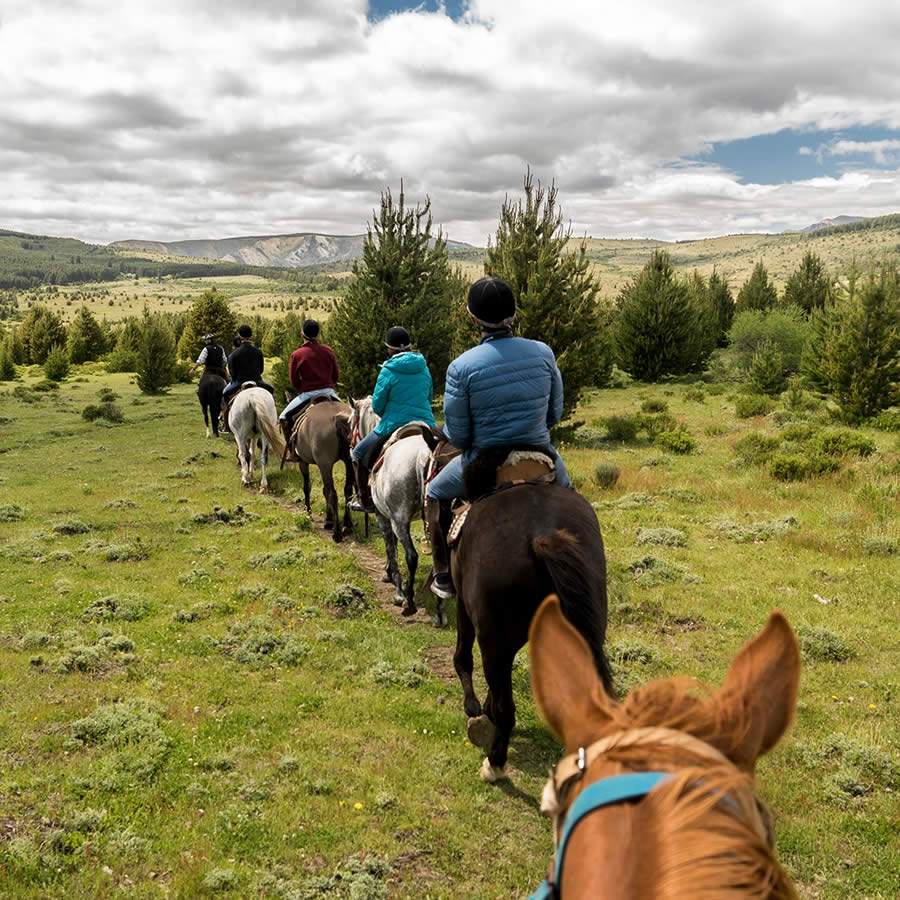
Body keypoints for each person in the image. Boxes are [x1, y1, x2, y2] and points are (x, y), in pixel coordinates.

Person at [425, 277, 571, 600]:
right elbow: (554, 414)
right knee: (573, 501)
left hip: (484, 461)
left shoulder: (461, 368)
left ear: (473, 318)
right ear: (514, 313)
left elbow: (460, 436)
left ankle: (443, 575)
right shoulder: (543, 353)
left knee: (434, 491)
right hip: (539, 455)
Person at [350, 326, 436, 513]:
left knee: (357, 454)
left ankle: (365, 501)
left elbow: (378, 406)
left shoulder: (388, 370)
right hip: (426, 424)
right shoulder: (423, 367)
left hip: (394, 424)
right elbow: (429, 397)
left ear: (390, 348)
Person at [278, 319, 340, 445]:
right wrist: (329, 385)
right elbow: (336, 375)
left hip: (308, 394)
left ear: (302, 334)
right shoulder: (328, 351)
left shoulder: (297, 354)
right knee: (351, 416)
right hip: (329, 392)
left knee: (283, 417)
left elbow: (293, 381)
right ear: (318, 334)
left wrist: (302, 388)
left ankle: (292, 451)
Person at [222, 324, 274, 405]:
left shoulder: (233, 354)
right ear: (251, 336)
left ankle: (224, 415)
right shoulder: (258, 352)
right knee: (271, 390)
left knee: (225, 393)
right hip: (257, 380)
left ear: (240, 336)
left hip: (239, 382)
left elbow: (233, 374)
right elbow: (261, 370)